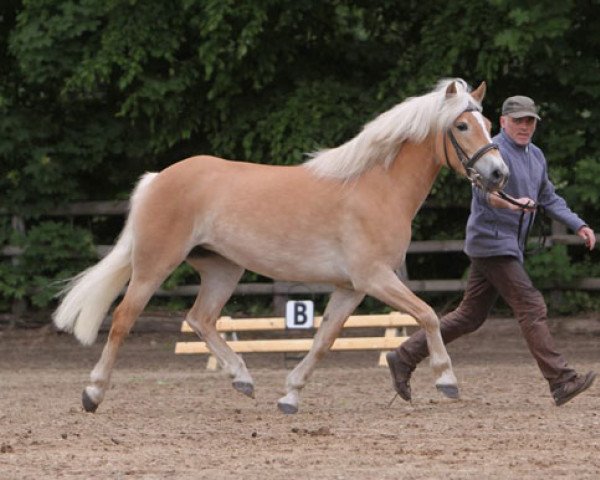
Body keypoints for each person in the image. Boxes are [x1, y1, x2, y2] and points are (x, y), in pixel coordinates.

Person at [386, 95, 597, 406]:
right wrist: (515, 204)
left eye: (530, 121)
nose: (525, 126)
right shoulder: (489, 149)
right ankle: (561, 380)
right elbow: (487, 196)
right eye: (518, 121)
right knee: (531, 306)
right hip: (491, 243)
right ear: (503, 122)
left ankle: (403, 356)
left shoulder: (536, 155)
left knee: (469, 316)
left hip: (508, 245)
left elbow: (549, 197)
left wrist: (578, 225)